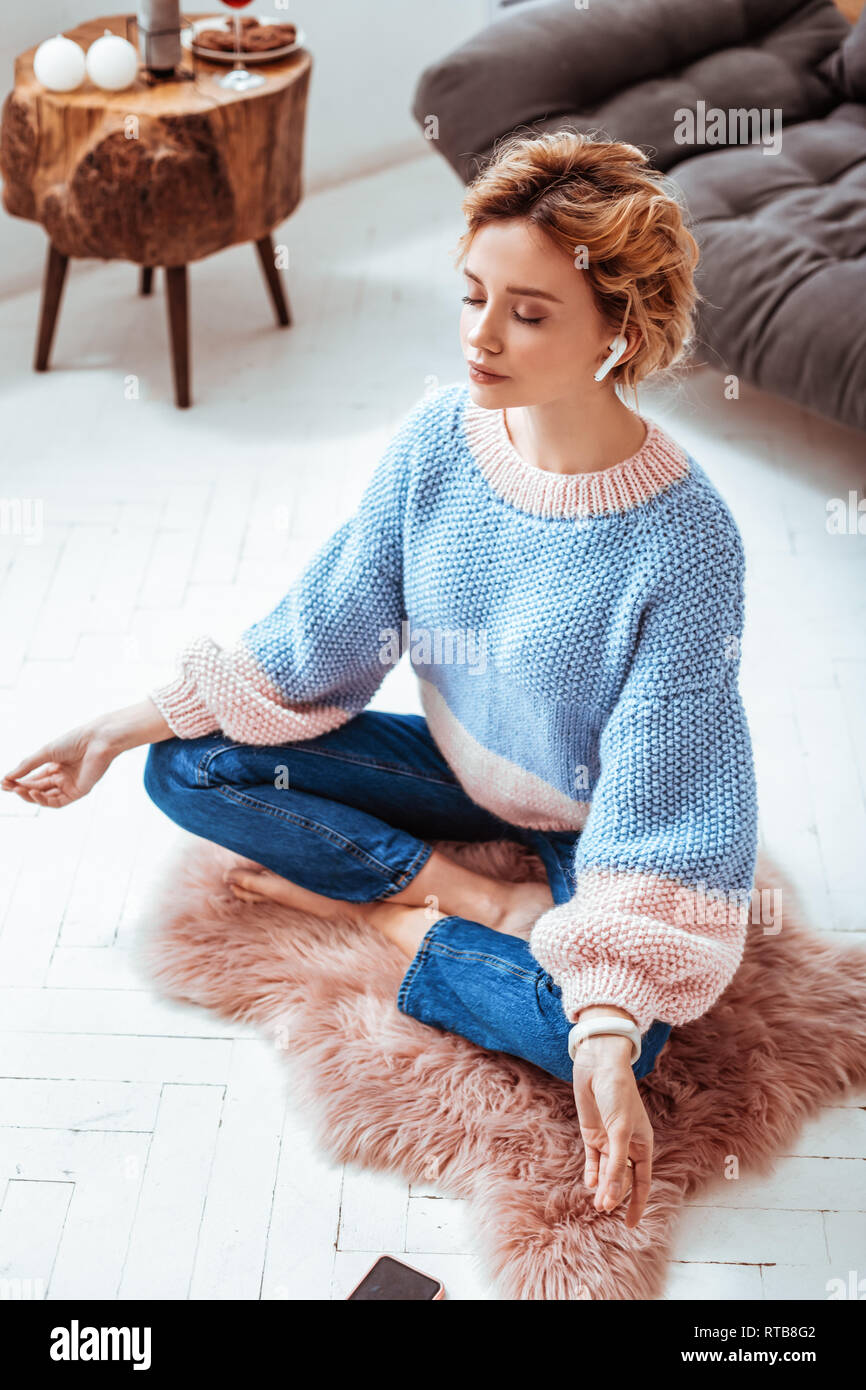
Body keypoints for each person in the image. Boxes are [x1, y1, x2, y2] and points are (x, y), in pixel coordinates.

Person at [2, 130, 758, 1233]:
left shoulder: (686, 543)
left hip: (597, 826)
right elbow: (324, 633)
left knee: (617, 1031)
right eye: (471, 296)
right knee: (187, 766)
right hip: (458, 770)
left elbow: (665, 804)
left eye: (528, 312)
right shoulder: (439, 441)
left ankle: (399, 922)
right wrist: (111, 729)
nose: (479, 337)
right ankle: (458, 898)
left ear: (620, 332)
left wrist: (599, 1030)